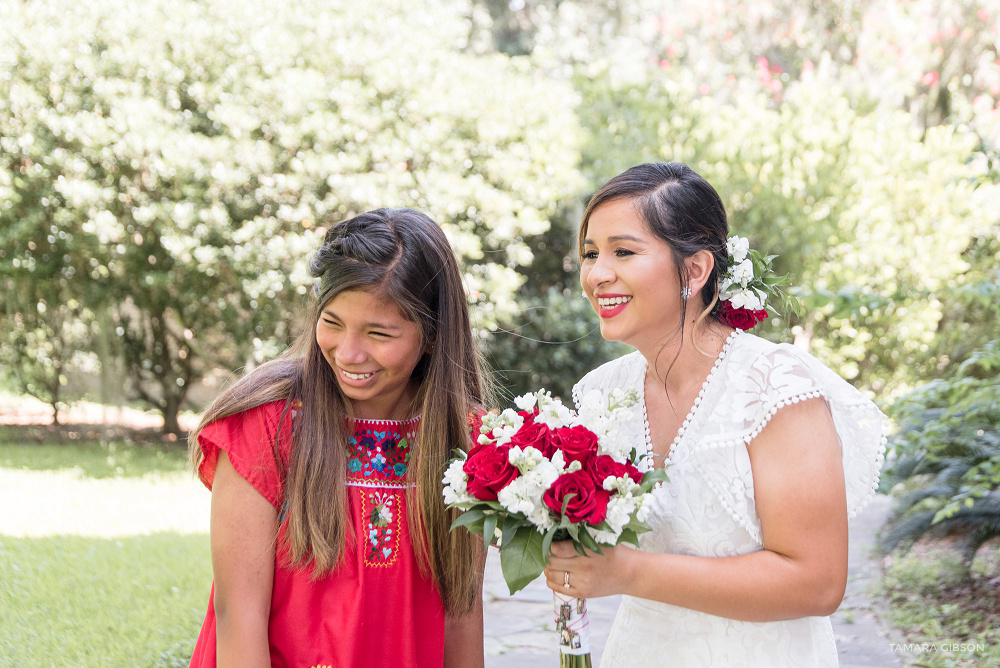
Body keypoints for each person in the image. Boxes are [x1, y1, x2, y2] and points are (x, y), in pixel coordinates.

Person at [542, 163, 887, 667]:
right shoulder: (602, 395)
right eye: (591, 254)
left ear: (696, 270)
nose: (597, 274)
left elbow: (818, 582)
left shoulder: (772, 388)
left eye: (624, 251)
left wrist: (628, 572)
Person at [187, 208, 488, 667]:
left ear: (431, 334)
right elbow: (239, 615)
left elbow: (462, 611)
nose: (348, 353)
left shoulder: (468, 441)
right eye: (332, 322)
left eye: (378, 333)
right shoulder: (266, 425)